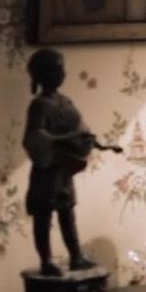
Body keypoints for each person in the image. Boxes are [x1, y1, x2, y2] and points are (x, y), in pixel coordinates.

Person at [23, 49, 120, 276]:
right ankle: (46, 261)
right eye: (58, 70)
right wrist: (63, 140)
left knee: (67, 212)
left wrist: (99, 144)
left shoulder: (65, 102)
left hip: (64, 170)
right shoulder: (40, 105)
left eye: (62, 69)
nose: (63, 74)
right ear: (45, 74)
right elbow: (34, 136)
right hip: (47, 170)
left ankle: (76, 256)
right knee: (43, 216)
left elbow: (82, 131)